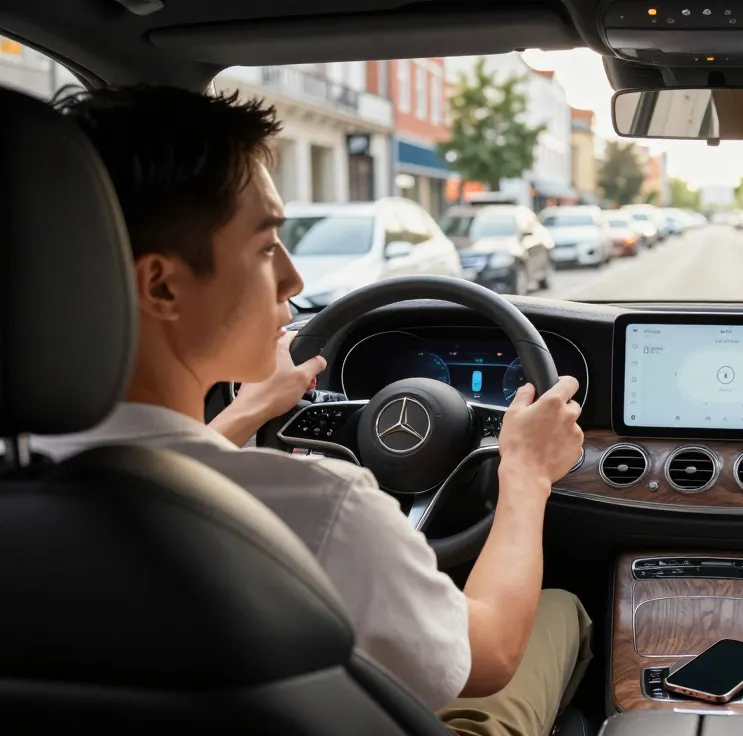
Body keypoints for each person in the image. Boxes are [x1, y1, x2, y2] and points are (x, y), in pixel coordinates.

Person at [33, 85, 592, 736]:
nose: (296, 281)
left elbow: (157, 474)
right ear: (162, 284)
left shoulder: (25, 485)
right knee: (558, 608)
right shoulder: (324, 510)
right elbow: (489, 654)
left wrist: (245, 416)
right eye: (268, 244)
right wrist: (527, 475)